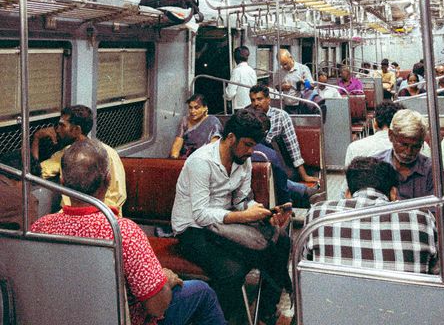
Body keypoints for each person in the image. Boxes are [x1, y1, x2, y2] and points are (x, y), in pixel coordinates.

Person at [31, 139, 226, 325]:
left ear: (63, 181)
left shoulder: (40, 228)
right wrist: (165, 280)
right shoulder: (122, 232)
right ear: (108, 179)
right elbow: (157, 307)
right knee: (202, 291)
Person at [171, 109, 292, 325]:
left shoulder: (243, 160)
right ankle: (217, 320)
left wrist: (261, 211)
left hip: (222, 225)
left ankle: (266, 311)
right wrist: (243, 217)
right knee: (232, 270)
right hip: (192, 230)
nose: (251, 151)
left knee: (281, 241)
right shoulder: (201, 162)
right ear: (230, 138)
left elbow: (242, 200)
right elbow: (199, 214)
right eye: (247, 144)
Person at [304, 157, 439, 274]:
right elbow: (441, 275)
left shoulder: (318, 215)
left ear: (347, 194)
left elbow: (304, 271)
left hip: (330, 303)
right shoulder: (422, 219)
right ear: (393, 193)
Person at [31, 105, 127, 213]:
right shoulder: (67, 152)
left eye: (62, 125)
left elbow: (117, 196)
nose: (57, 130)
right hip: (71, 214)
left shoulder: (108, 154)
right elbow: (36, 173)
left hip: (103, 214)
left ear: (77, 129)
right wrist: (37, 138)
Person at [251, 108, 319, 207]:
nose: (257, 103)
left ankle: (302, 191)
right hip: (268, 184)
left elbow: (292, 146)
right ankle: (303, 192)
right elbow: (281, 183)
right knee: (280, 178)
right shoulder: (267, 154)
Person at [249, 84, 317, 184]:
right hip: (254, 163)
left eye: (260, 99)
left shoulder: (280, 116)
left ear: (268, 99)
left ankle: (300, 191)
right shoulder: (248, 117)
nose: (256, 103)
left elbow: (292, 146)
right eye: (253, 100)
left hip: (278, 163)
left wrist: (304, 175)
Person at [373, 109, 438, 200]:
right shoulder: (374, 167)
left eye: (416, 146)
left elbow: (440, 211)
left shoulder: (433, 171)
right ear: (391, 136)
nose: (408, 152)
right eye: (403, 145)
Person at [169, 94, 222, 159]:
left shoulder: (213, 121)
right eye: (190, 108)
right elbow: (178, 142)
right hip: (184, 159)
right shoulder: (185, 120)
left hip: (204, 159)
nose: (192, 111)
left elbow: (214, 146)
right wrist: (173, 159)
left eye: (196, 108)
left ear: (205, 108)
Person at [0, 150, 42, 229]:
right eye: (30, 184)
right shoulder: (26, 201)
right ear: (25, 179)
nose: (29, 189)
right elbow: (31, 237)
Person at [277, 49, 313, 113]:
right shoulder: (279, 72)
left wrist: (304, 83)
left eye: (285, 64)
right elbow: (276, 87)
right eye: (282, 65)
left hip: (301, 105)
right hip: (286, 105)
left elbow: (311, 86)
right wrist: (282, 87)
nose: (284, 67)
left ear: (290, 57)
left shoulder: (302, 69)